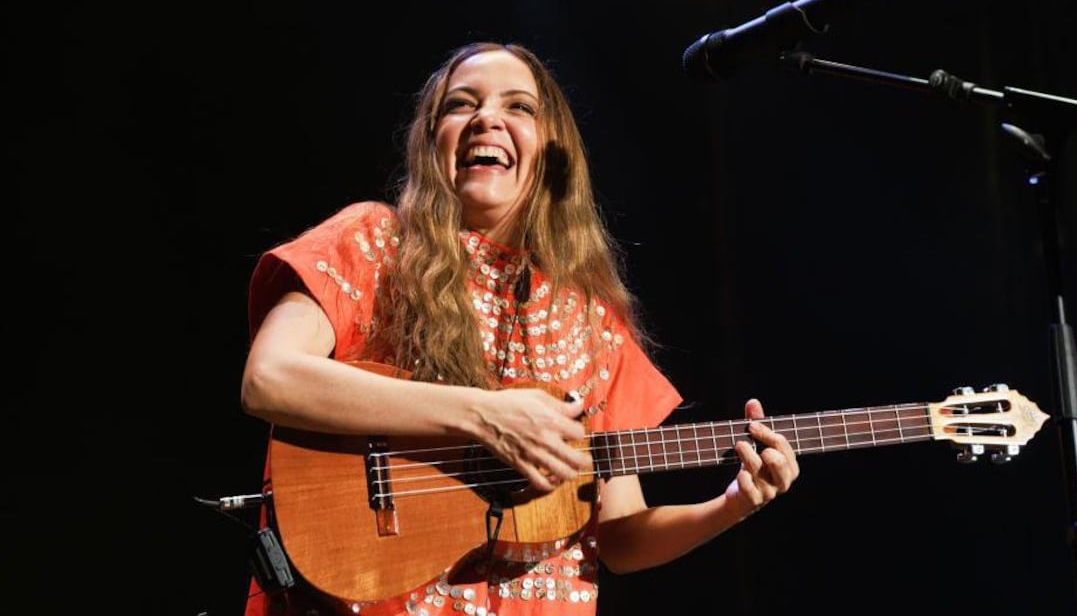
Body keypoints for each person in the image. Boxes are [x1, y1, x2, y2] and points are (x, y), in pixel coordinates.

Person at [239, 41, 800, 616]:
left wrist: (732, 504)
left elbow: (620, 536)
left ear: (553, 152)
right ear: (432, 141)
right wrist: (483, 415)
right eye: (461, 104)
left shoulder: (592, 322)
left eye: (519, 107)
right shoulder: (373, 242)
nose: (486, 118)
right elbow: (269, 377)